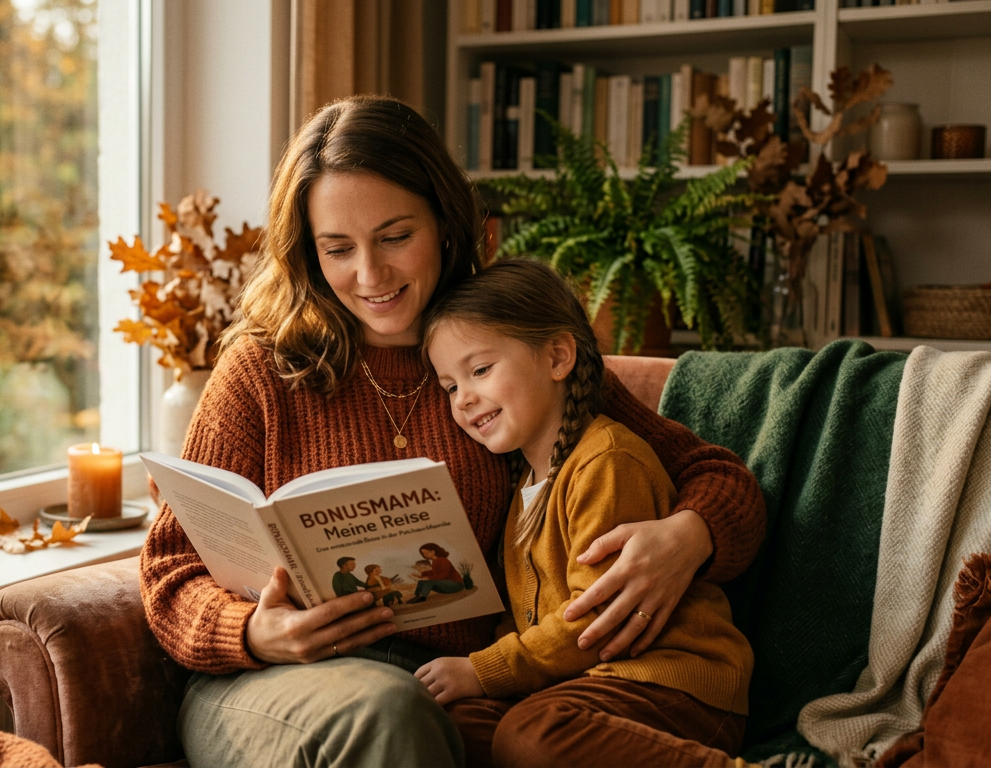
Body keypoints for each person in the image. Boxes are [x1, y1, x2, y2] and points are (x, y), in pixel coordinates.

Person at [139, 95, 766, 768]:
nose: (370, 275)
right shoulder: (261, 370)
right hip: (273, 681)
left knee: (470, 728)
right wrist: (255, 632)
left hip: (458, 680)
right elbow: (168, 567)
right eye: (338, 249)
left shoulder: (503, 356)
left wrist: (687, 538)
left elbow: (719, 478)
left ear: (443, 221)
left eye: (395, 237)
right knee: (390, 710)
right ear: (307, 252)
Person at [416, 258, 754, 767]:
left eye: (480, 370)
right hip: (584, 684)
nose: (464, 399)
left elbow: (591, 618)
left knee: (532, 733)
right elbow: (528, 618)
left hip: (673, 685)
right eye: (450, 387)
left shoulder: (606, 462)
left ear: (557, 356)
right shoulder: (521, 487)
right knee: (457, 727)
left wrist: (483, 670)